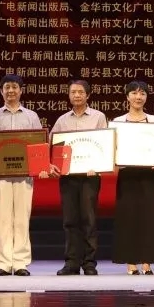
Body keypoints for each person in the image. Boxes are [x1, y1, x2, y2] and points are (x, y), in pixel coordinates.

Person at [0, 73, 41, 276]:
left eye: (14, 87)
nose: (11, 91)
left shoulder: (31, 116)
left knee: (22, 217)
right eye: (7, 87)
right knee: (3, 218)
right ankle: (4, 264)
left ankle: (21, 263)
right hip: (1, 176)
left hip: (25, 175)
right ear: (1, 91)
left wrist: (40, 166)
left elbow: (39, 145)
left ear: (21, 91)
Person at [111, 80, 154, 275]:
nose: (138, 97)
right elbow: (113, 149)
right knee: (128, 218)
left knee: (150, 217)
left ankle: (147, 262)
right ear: (127, 96)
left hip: (149, 175)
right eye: (134, 93)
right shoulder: (118, 121)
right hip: (127, 174)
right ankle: (130, 262)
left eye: (142, 93)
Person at [49, 79, 107, 276]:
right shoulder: (62, 120)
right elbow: (53, 146)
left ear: (88, 95)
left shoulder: (98, 117)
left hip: (90, 175)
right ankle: (71, 262)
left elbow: (105, 145)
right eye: (73, 92)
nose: (76, 95)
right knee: (70, 219)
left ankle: (89, 263)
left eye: (80, 92)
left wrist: (98, 166)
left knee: (89, 219)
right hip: (68, 176)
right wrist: (53, 165)